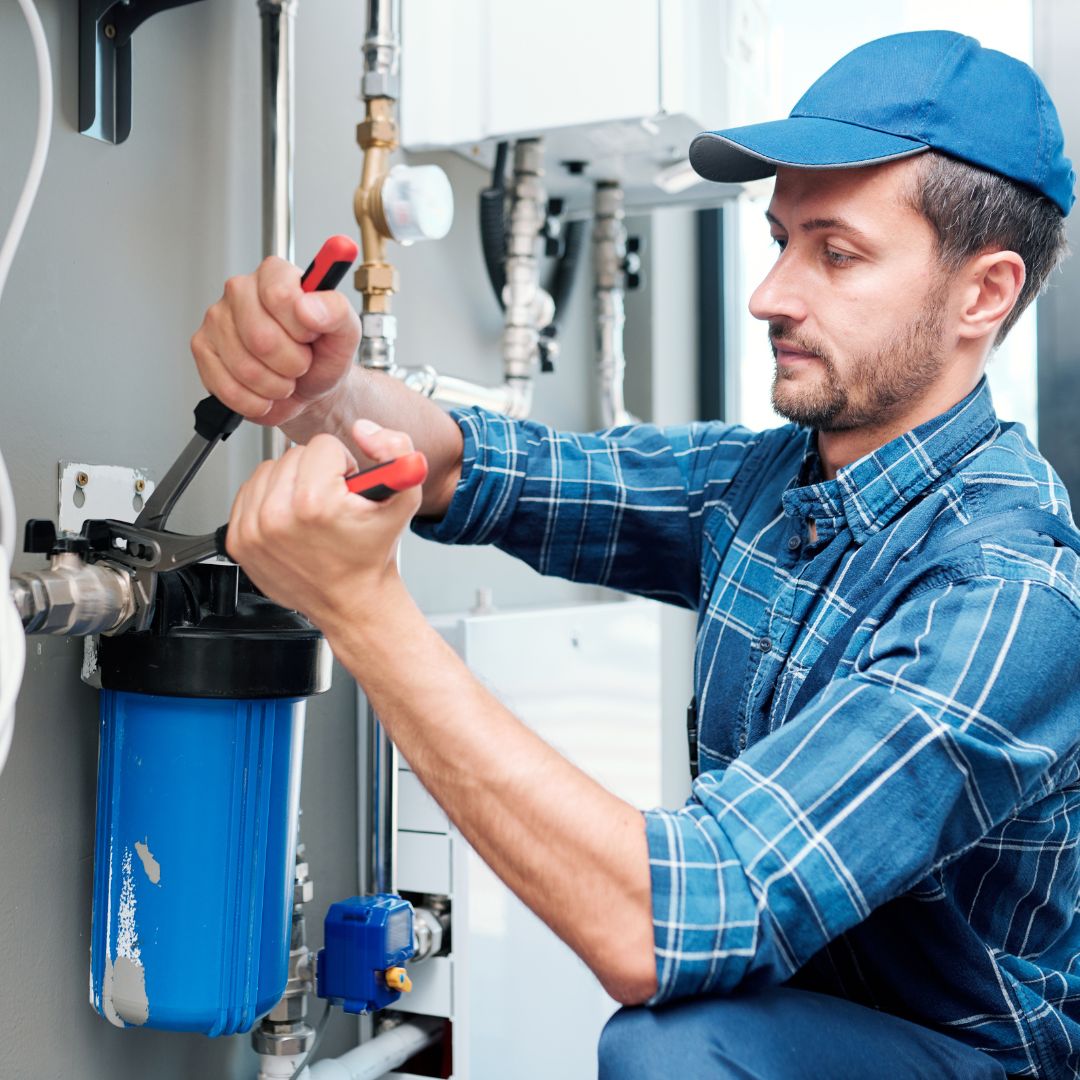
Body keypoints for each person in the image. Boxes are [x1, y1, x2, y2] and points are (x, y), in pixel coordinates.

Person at [190, 30, 1080, 1080]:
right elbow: (487, 466)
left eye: (835, 254)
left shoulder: (1009, 593)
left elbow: (667, 925)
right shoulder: (772, 481)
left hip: (967, 1058)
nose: (772, 295)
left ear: (983, 293)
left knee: (674, 1049)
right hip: (801, 1015)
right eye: (781, 241)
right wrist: (324, 395)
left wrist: (366, 615)